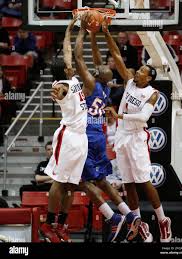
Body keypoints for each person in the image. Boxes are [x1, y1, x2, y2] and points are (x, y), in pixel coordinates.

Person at [74, 15, 141, 243]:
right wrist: (96, 34)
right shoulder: (102, 86)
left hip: (86, 137)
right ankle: (129, 214)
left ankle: (112, 217)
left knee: (81, 181)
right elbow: (95, 58)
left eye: (100, 66)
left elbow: (79, 57)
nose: (100, 63)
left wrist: (82, 30)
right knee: (101, 179)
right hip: (100, 136)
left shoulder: (90, 83)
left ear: (98, 74)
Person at [103, 22, 172, 243]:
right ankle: (140, 224)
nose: (138, 72)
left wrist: (119, 116)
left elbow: (143, 118)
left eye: (142, 71)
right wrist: (106, 33)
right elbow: (116, 55)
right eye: (139, 70)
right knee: (129, 184)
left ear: (149, 78)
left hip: (137, 138)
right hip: (122, 138)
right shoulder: (131, 82)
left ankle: (162, 220)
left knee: (144, 181)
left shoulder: (153, 94)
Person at [40, 18, 88, 243]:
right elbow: (58, 93)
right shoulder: (59, 86)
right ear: (64, 71)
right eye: (68, 65)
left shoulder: (74, 79)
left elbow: (71, 51)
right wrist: (57, 94)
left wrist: (75, 29)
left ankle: (62, 224)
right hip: (67, 137)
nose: (71, 65)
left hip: (81, 139)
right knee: (59, 181)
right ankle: (48, 223)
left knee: (71, 185)